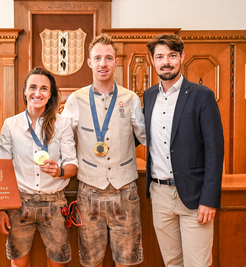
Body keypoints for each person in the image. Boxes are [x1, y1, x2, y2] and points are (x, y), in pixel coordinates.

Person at [62, 33, 146, 267]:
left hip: (125, 191)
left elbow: (147, 137)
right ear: (89, 62)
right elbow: (63, 139)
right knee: (91, 262)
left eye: (108, 58)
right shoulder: (75, 99)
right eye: (97, 58)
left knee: (127, 262)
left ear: (116, 61)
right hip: (89, 192)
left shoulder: (130, 99)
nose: (103, 64)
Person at [143, 33, 224, 267]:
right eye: (160, 56)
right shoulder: (149, 96)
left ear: (182, 57)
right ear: (152, 61)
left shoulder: (202, 95)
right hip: (159, 194)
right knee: (172, 263)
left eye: (172, 55)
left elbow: (215, 151)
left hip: (194, 196)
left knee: (197, 264)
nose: (166, 61)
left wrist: (209, 199)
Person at [0, 67, 78, 267]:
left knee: (58, 263)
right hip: (20, 203)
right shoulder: (11, 125)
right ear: (25, 90)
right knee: (19, 263)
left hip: (55, 203)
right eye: (33, 87)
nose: (38, 93)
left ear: (50, 94)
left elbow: (72, 166)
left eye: (44, 88)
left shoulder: (62, 124)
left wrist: (58, 171)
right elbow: (3, 170)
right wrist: (0, 210)